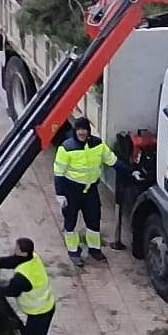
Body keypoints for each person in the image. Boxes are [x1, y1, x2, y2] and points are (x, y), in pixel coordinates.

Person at [55, 114, 116, 266]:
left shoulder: (98, 144)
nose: (81, 132)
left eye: (84, 129)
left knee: (94, 220)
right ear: (75, 131)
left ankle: (94, 249)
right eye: (79, 129)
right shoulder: (66, 148)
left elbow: (112, 161)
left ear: (88, 131)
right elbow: (58, 173)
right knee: (70, 222)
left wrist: (131, 172)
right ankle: (73, 251)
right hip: (71, 191)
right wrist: (60, 194)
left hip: (90, 192)